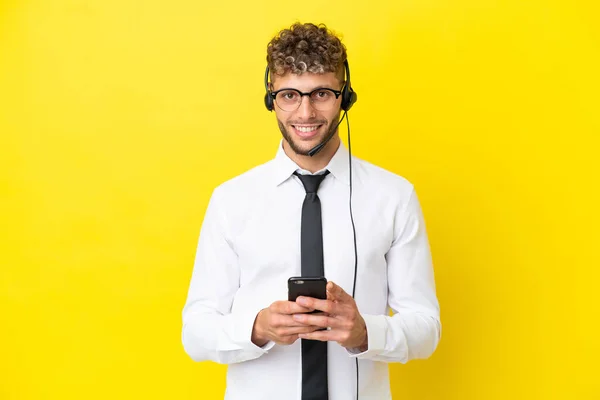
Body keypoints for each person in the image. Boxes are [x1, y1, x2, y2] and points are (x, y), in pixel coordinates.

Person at [181, 22, 441, 400]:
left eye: (321, 93)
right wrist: (257, 328)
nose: (305, 113)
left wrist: (366, 332)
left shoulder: (394, 196)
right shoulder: (231, 200)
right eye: (289, 95)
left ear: (345, 97)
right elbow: (196, 332)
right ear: (271, 98)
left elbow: (426, 328)